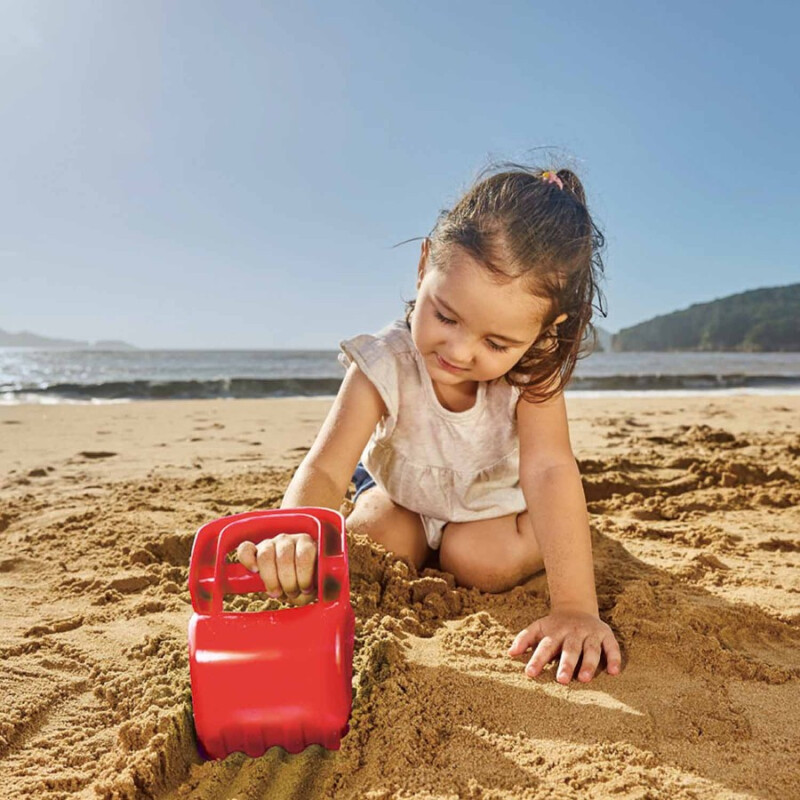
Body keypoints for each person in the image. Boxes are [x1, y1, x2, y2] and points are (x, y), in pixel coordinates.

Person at [237, 162, 622, 685]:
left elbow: (550, 470)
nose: (459, 352)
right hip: (405, 498)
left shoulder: (532, 377)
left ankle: (548, 535)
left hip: (491, 506)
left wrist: (575, 606)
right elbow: (326, 469)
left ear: (543, 332)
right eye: (445, 316)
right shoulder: (383, 363)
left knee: (476, 560)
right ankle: (400, 525)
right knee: (371, 540)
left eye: (496, 343)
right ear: (424, 266)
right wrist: (294, 533)